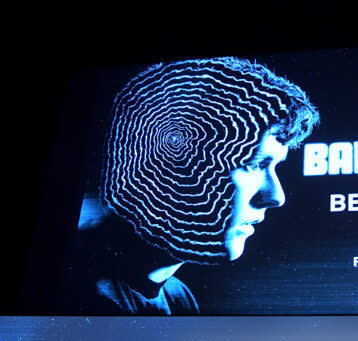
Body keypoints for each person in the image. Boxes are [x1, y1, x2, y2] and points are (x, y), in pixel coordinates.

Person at [67, 57, 320, 314]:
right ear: (175, 165)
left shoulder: (178, 297)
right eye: (253, 164)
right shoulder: (81, 294)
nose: (276, 196)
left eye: (273, 166)